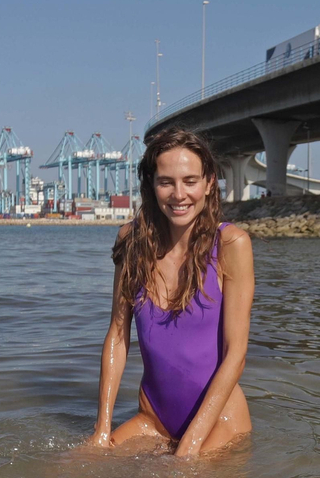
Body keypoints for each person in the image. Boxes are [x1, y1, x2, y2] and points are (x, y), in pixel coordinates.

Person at [86, 128, 254, 460]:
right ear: (151, 185)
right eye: (166, 182)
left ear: (208, 183)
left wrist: (190, 446)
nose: (179, 194)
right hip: (154, 420)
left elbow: (236, 354)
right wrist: (101, 430)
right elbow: (118, 337)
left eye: (190, 181)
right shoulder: (131, 242)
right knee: (75, 473)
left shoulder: (231, 245)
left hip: (220, 424)